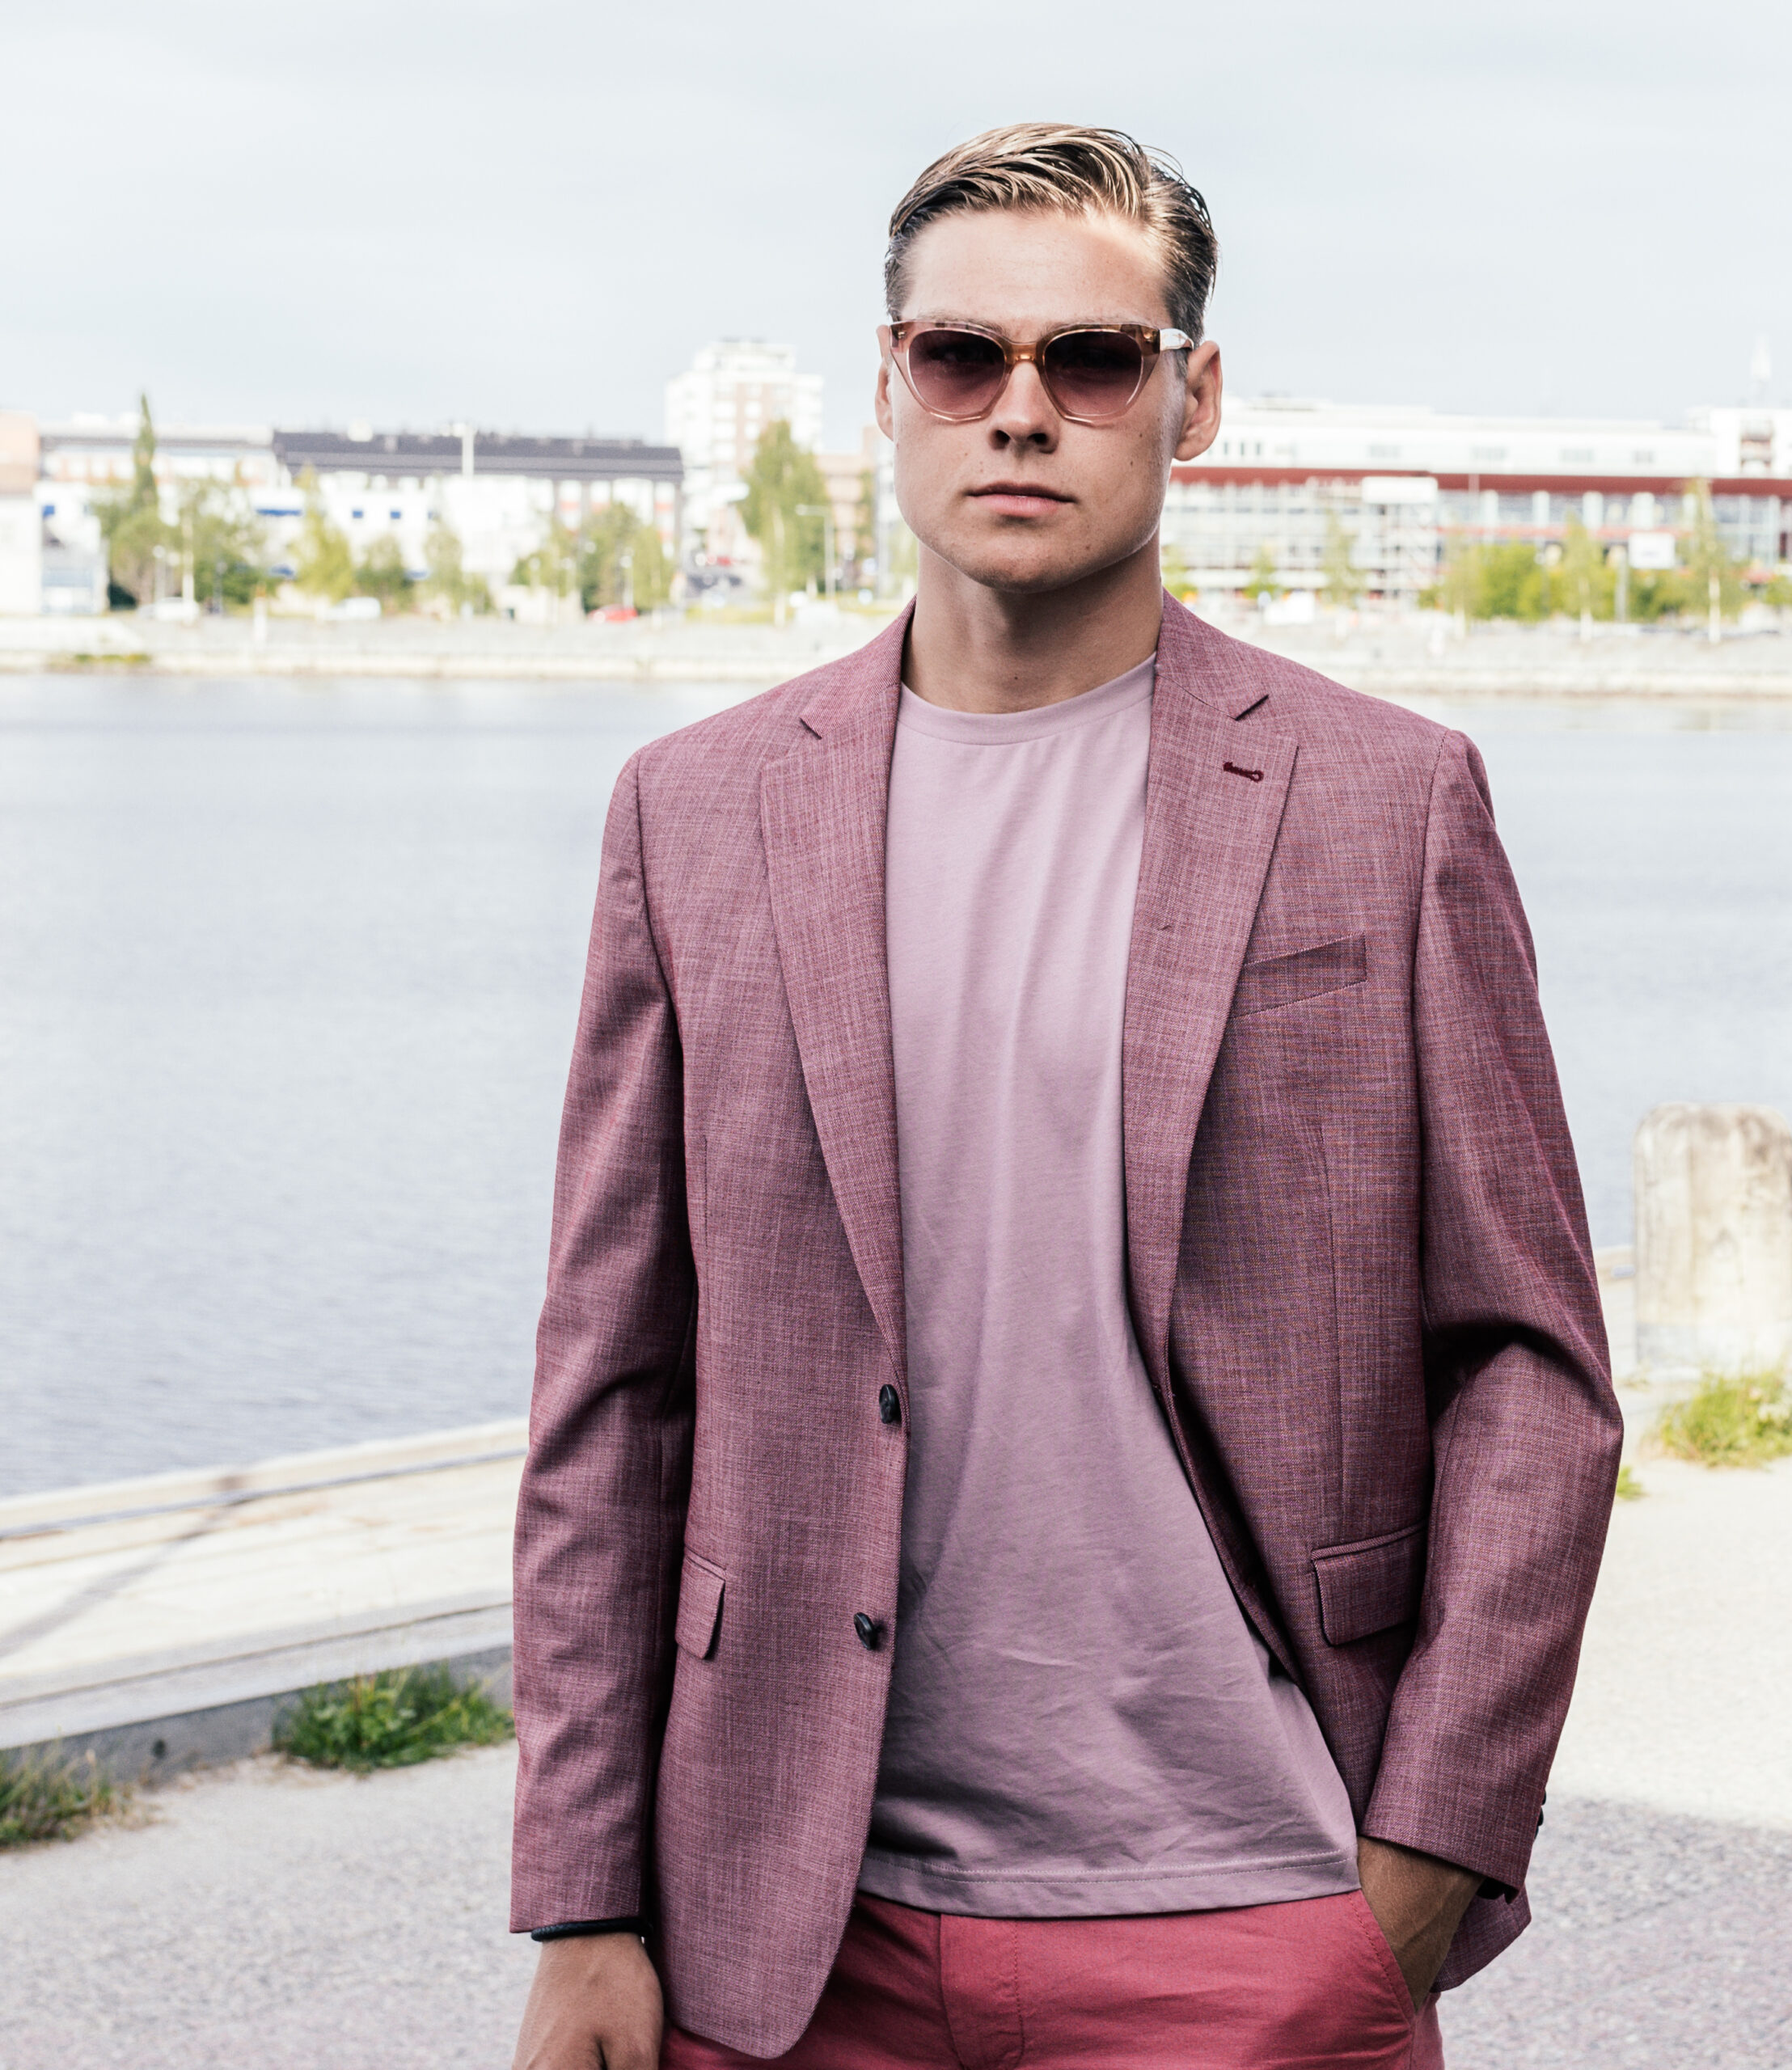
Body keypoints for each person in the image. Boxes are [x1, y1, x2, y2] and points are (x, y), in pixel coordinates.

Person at [509, 123, 1620, 2070]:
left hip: (1253, 1914)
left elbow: (1530, 1367)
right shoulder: (691, 815)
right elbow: (613, 1387)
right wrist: (585, 1899)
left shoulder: (1387, 800)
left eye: (1090, 361)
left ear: (1188, 400)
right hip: (782, 1930)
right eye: (962, 357)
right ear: (885, 387)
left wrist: (1431, 1847)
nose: (1021, 411)